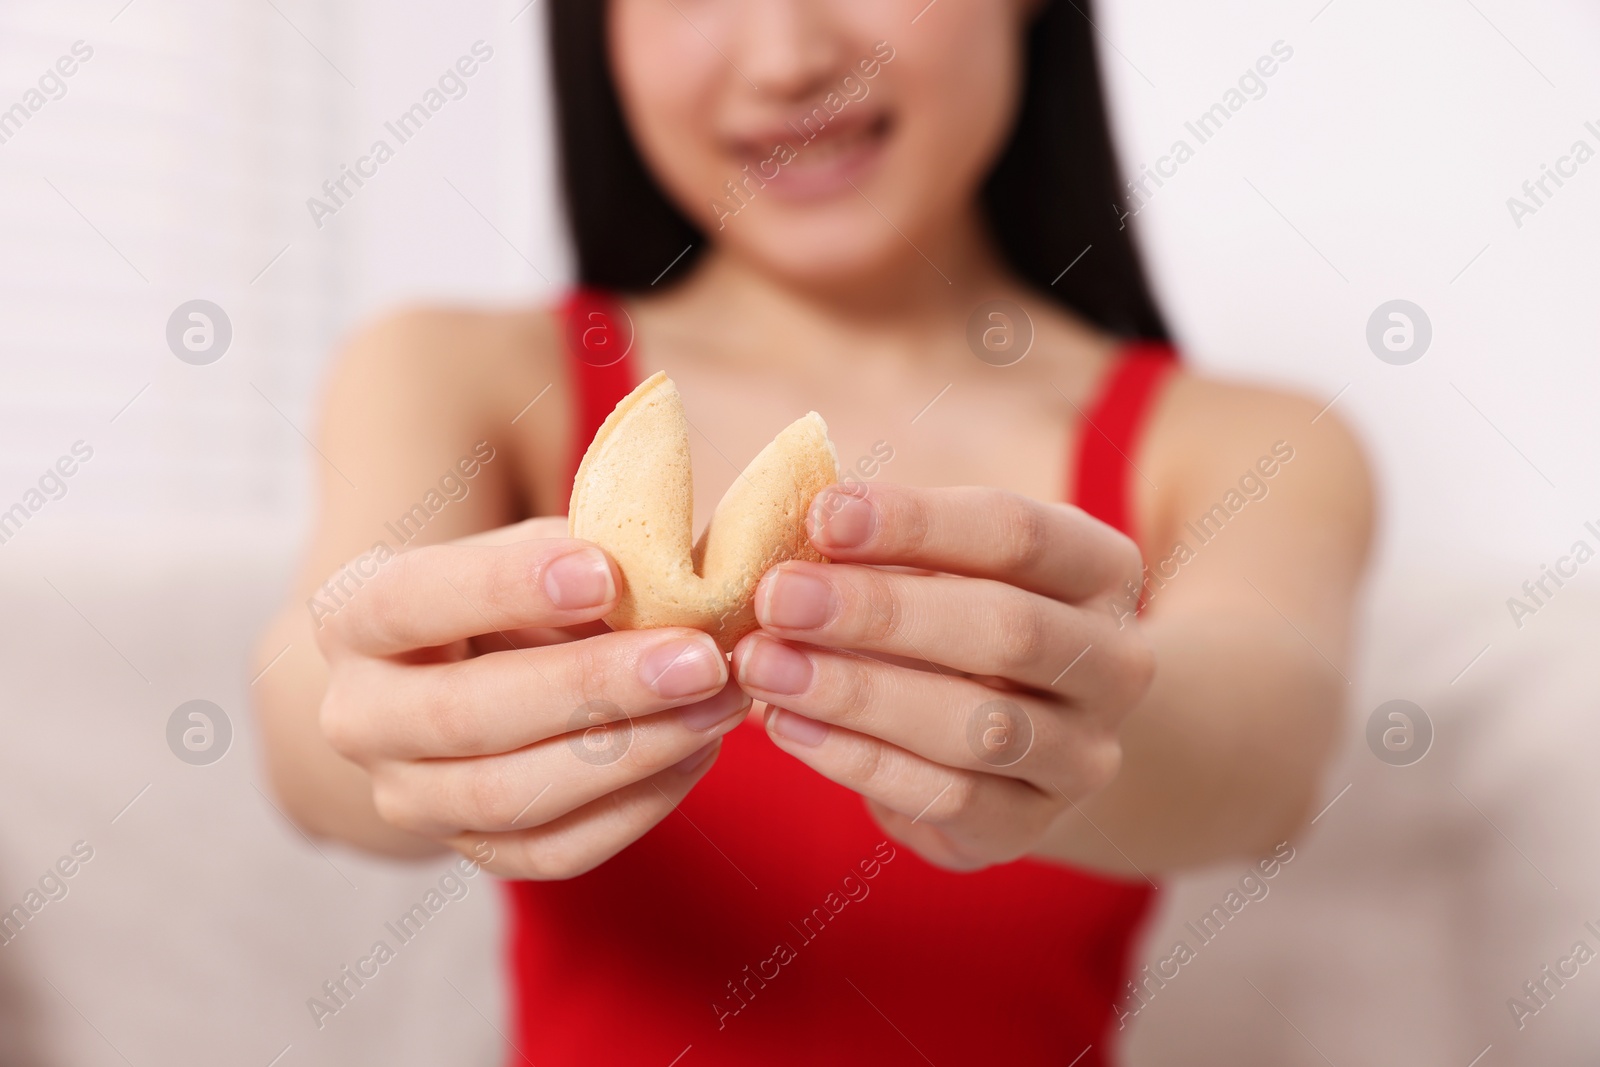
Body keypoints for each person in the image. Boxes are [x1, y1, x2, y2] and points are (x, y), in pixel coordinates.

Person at [252, 1, 1372, 1062]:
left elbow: (1267, 741)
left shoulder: (1245, 441)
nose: (786, 53)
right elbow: (310, 706)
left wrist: (1085, 712)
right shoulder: (461, 374)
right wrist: (382, 707)